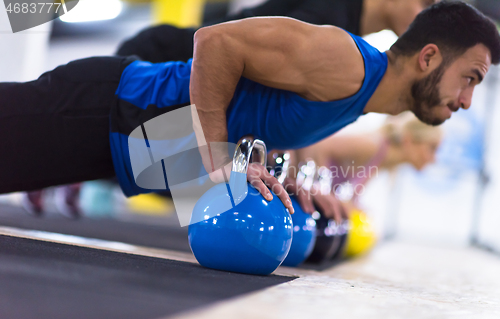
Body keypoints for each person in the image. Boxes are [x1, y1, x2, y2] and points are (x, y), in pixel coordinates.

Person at [0, 2, 498, 221]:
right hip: (107, 108)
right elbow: (215, 42)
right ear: (429, 56)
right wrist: (217, 157)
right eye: (470, 78)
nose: (468, 100)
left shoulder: (361, 100)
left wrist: (285, 183)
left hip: (119, 148)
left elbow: (256, 116)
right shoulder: (348, 62)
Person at [116, 0, 438, 63]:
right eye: (426, 4)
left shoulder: (350, 36)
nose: (426, 19)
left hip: (180, 84)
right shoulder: (330, 18)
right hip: (158, 61)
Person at [294, 112, 442, 215]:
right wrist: (322, 190)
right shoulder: (372, 145)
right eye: (432, 148)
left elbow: (349, 201)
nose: (434, 158)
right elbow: (319, 146)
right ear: (409, 140)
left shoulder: (383, 160)